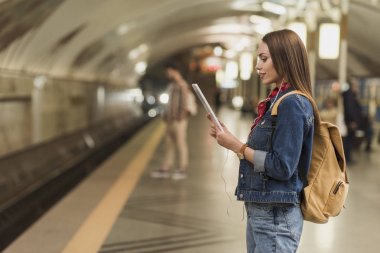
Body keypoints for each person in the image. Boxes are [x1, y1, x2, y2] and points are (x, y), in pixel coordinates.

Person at [207, 29, 319, 253]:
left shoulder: (292, 104)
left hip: (276, 216)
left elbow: (282, 166)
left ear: (285, 58)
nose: (258, 66)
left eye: (264, 58)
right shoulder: (277, 100)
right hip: (265, 210)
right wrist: (232, 140)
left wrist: (237, 146)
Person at [151, 63, 190, 180]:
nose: (167, 74)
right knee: (168, 144)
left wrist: (180, 117)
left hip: (179, 121)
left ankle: (183, 168)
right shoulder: (171, 86)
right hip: (169, 120)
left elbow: (185, 103)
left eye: (169, 72)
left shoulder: (182, 85)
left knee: (180, 143)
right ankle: (166, 167)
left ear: (174, 71)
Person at [342, 78, 364, 163]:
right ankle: (347, 158)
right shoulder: (349, 95)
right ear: (352, 86)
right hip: (351, 122)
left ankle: (348, 158)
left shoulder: (349, 95)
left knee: (349, 139)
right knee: (349, 140)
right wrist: (352, 121)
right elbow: (350, 109)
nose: (357, 88)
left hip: (351, 121)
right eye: (356, 86)